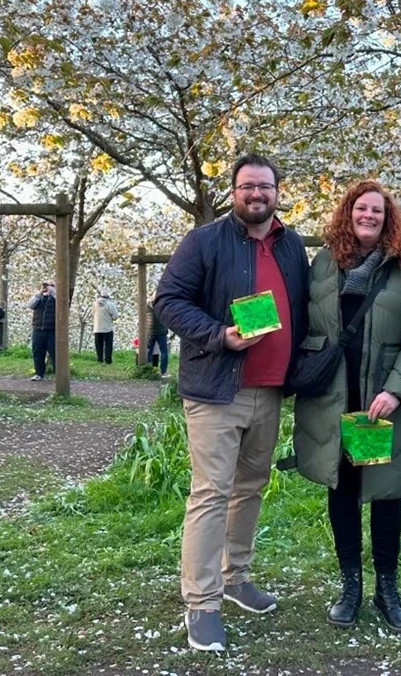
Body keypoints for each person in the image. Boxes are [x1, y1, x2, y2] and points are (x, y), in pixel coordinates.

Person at [152, 153, 309, 653]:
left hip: (270, 389)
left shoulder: (292, 246)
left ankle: (236, 576)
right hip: (219, 389)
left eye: (264, 186)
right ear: (233, 192)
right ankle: (202, 602)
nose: (256, 194)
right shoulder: (204, 241)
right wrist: (220, 335)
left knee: (251, 488)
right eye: (246, 187)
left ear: (278, 191)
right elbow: (169, 301)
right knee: (211, 493)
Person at [293, 180, 401, 633]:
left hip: (380, 402)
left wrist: (396, 390)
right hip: (336, 399)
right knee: (345, 488)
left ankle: (387, 587)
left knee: (386, 492)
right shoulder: (324, 263)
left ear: (389, 219)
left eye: (377, 210)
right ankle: (350, 584)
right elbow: (302, 320)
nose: (368, 216)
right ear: (348, 213)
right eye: (361, 208)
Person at [27, 279, 57, 381]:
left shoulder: (56, 298)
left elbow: (63, 303)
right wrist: (40, 293)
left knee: (55, 352)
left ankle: (59, 374)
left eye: (51, 285)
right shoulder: (39, 298)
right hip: (38, 329)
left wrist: (53, 292)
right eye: (47, 285)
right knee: (38, 352)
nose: (48, 287)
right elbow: (30, 305)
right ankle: (39, 373)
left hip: (52, 330)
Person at [93, 289, 118, 364]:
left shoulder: (95, 304)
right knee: (108, 345)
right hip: (107, 328)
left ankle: (99, 359)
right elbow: (115, 316)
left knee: (99, 345)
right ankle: (108, 360)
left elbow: (93, 314)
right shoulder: (110, 304)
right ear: (108, 296)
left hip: (97, 327)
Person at [147, 304, 170, 377]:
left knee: (149, 351)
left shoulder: (148, 308)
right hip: (162, 332)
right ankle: (163, 371)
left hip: (150, 331)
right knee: (164, 352)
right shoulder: (163, 307)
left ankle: (148, 369)